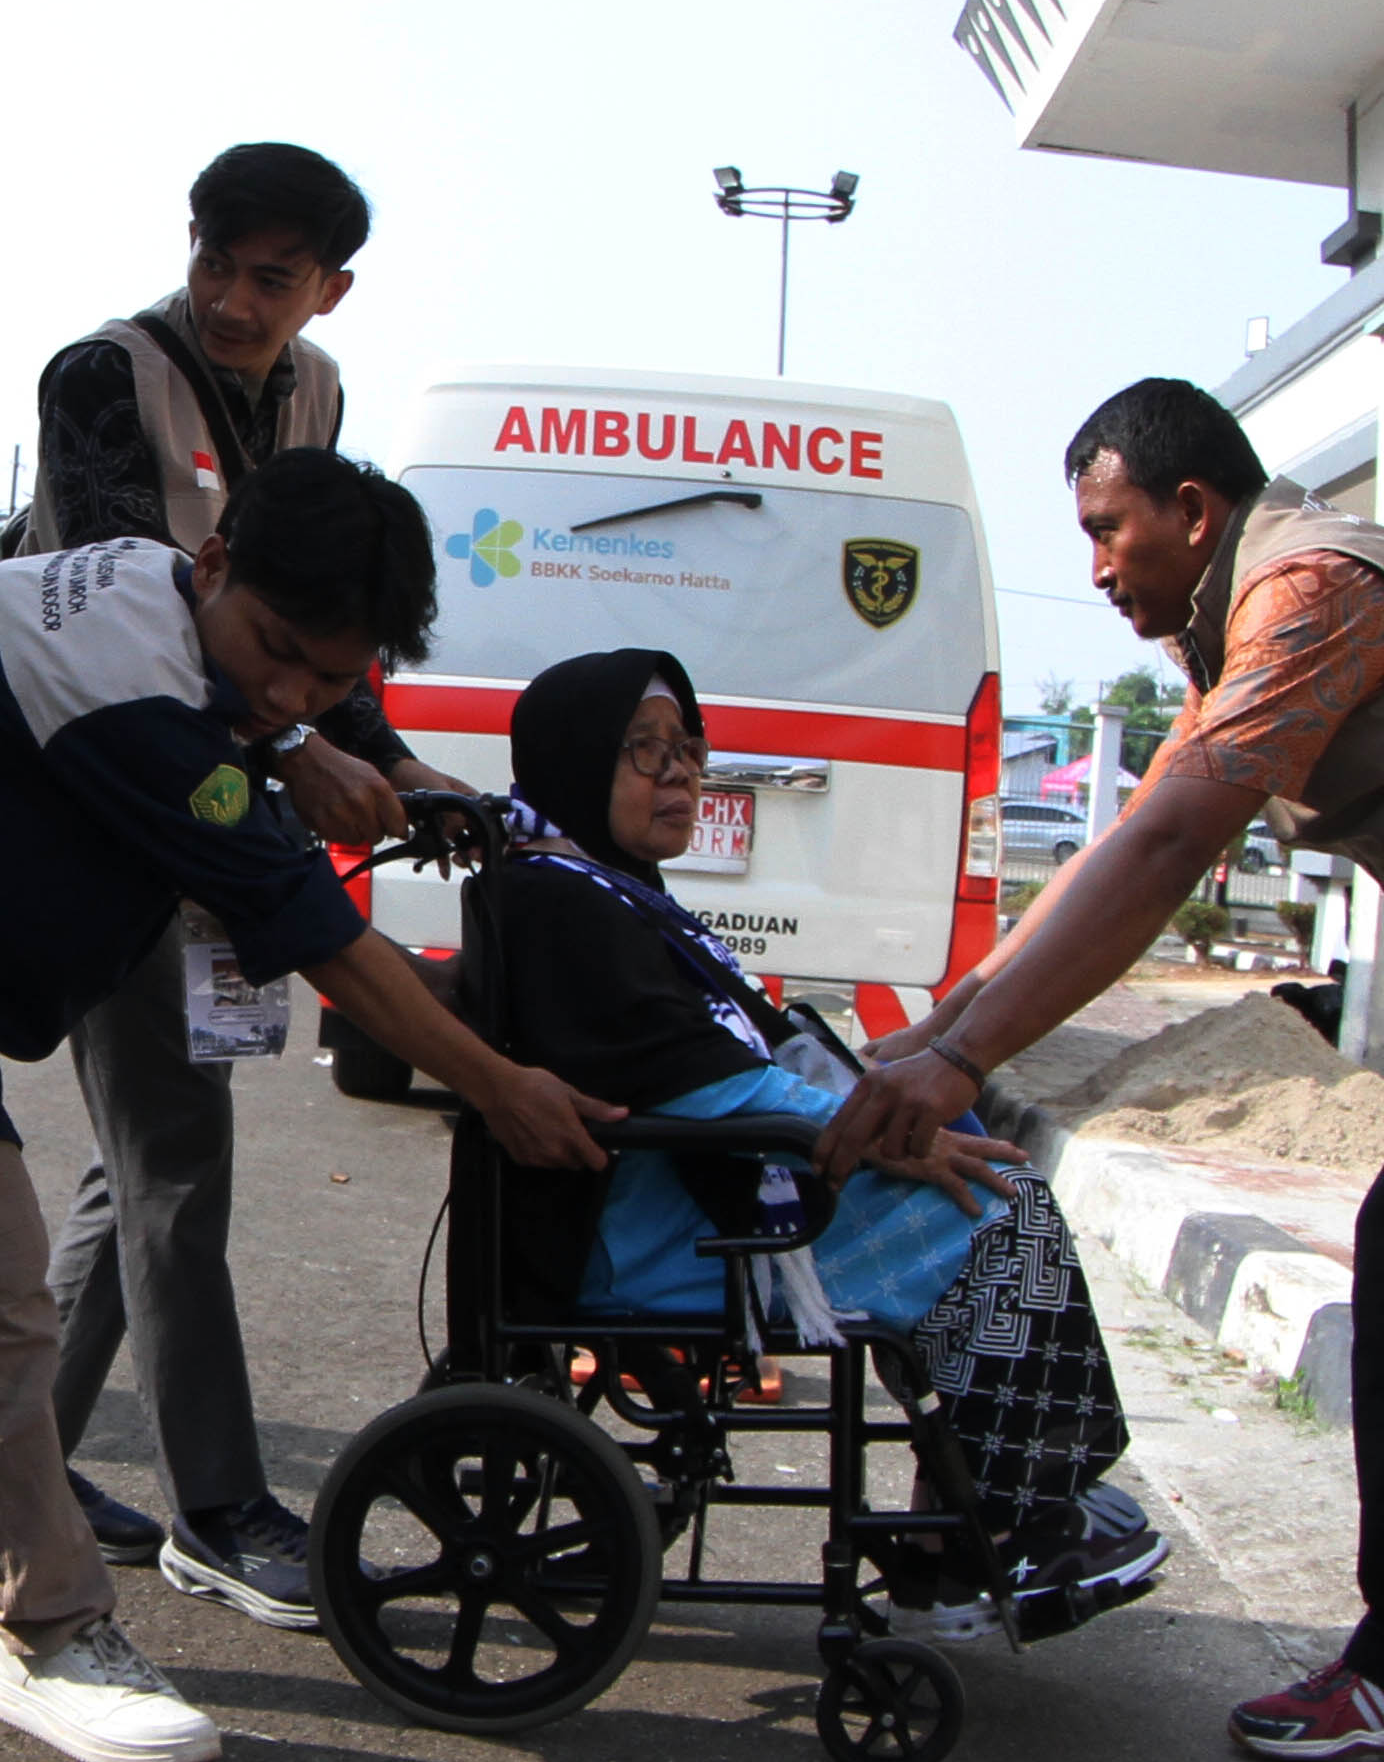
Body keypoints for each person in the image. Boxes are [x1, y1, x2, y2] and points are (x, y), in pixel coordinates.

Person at [818, 380, 1384, 1762]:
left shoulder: (1309, 590)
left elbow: (1163, 851)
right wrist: (946, 1024)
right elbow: (1121, 837)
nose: (1095, 568)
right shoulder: (1243, 614)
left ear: (1191, 511)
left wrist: (962, 1056)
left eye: (1107, 528)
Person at [0, 455, 616, 1762]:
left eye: (329, 679)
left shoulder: (201, 621)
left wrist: (313, 733)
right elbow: (322, 939)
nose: (290, 694)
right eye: (278, 654)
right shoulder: (128, 692)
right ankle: (52, 1634)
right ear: (211, 564)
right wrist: (498, 1085)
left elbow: (273, 702)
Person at [0, 141, 464, 1630]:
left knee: (139, 1163)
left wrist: (401, 764)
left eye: (274, 278)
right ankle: (220, 1509)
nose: (235, 302)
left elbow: (309, 622)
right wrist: (304, 747)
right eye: (217, 264)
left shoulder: (316, 399)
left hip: (214, 790)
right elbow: (138, 611)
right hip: (90, 786)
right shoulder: (99, 379)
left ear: (330, 289)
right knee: (175, 1166)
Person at [479, 650, 1163, 1629]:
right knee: (991, 1207)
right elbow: (705, 1086)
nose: (678, 774)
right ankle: (1011, 1517)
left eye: (687, 749)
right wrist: (877, 1136)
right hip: (647, 1227)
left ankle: (973, 1504)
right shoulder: (560, 901)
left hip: (681, 1190)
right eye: (643, 752)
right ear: (575, 759)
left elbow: (724, 1055)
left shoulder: (603, 884)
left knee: (968, 1155)